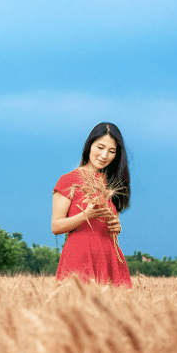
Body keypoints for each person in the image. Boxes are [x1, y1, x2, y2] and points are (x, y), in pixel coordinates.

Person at [51, 122, 132, 288]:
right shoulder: (68, 180)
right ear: (89, 146)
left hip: (108, 256)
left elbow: (106, 226)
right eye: (100, 147)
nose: (104, 155)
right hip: (79, 256)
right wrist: (85, 215)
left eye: (111, 151)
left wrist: (116, 227)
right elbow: (56, 226)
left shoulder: (112, 185)